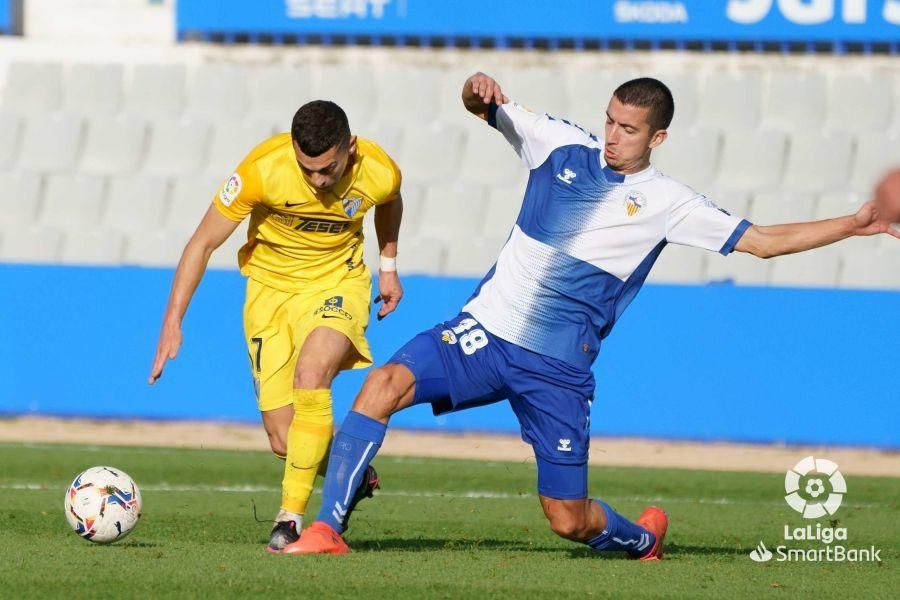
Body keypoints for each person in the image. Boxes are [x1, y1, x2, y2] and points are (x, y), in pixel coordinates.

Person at [281, 73, 900, 558]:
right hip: (484, 332)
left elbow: (760, 240)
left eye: (629, 128)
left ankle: (641, 539)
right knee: (382, 383)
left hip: (555, 370)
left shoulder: (669, 203)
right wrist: (476, 89)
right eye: (609, 119)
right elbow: (484, 106)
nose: (611, 134)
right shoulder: (557, 144)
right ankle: (329, 529)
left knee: (567, 519)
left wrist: (853, 224)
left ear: (656, 138)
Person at [148, 100, 404, 553]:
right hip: (270, 295)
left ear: (350, 147)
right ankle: (353, 473)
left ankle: (291, 519)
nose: (318, 181)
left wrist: (387, 265)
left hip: (337, 283)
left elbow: (389, 201)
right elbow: (202, 242)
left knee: (312, 375)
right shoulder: (262, 169)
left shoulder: (379, 169)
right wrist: (172, 321)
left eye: (327, 169)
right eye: (308, 171)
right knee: (285, 439)